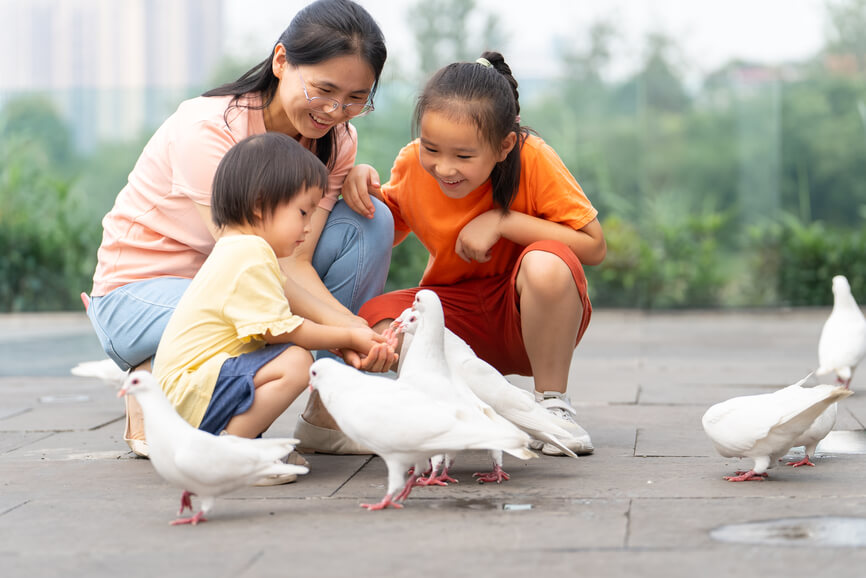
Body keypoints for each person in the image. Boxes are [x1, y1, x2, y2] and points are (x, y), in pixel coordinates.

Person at [85, 0, 395, 457]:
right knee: (248, 321)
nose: (334, 111)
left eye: (355, 99)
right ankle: (155, 389)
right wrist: (351, 330)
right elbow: (249, 264)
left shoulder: (336, 142)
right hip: (141, 295)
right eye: (323, 90)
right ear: (281, 60)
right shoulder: (209, 128)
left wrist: (352, 335)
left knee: (369, 220)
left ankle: (330, 410)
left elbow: (294, 260)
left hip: (235, 281)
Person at [352, 52, 607, 456]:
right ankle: (459, 404)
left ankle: (552, 404)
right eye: (431, 148)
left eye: (464, 156)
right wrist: (358, 177)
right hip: (457, 322)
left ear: (504, 145)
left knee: (548, 264)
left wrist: (503, 221)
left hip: (526, 318)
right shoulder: (411, 166)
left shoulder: (532, 157)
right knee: (375, 322)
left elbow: (593, 246)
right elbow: (386, 223)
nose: (444, 168)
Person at [151, 132, 393, 484]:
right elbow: (284, 330)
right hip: (190, 394)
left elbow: (301, 313)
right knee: (295, 361)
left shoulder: (242, 249)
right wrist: (347, 336)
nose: (309, 226)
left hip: (193, 394)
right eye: (302, 212)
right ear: (259, 204)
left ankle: (236, 445)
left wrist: (351, 337)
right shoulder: (248, 254)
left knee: (287, 357)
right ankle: (229, 455)